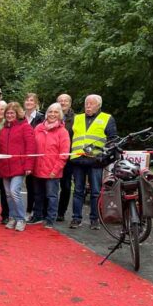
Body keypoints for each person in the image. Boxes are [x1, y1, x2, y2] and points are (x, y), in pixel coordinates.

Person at [69, 94, 117, 230]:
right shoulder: (77, 118)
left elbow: (112, 139)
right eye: (86, 103)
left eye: (91, 103)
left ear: (98, 105)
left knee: (96, 191)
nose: (88, 106)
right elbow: (70, 137)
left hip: (95, 161)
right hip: (78, 160)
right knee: (78, 191)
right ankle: (76, 218)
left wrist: (103, 155)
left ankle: (94, 219)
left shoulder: (107, 118)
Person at [0, 102, 36, 232]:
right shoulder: (3, 130)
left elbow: (31, 147)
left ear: (18, 114)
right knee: (8, 194)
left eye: (12, 113)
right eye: (8, 113)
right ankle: (12, 217)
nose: (10, 115)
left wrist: (29, 165)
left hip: (19, 167)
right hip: (5, 168)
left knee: (14, 192)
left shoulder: (25, 127)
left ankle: (21, 218)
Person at [32, 103, 70, 228]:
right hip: (37, 168)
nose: (52, 114)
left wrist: (56, 170)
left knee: (52, 196)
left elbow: (64, 154)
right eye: (50, 112)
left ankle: (50, 219)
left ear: (60, 115)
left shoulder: (63, 132)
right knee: (37, 195)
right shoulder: (38, 128)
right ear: (46, 114)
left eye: (55, 112)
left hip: (52, 170)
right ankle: (37, 216)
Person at [24, 93, 45, 220]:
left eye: (32, 100)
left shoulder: (41, 118)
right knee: (29, 185)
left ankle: (38, 212)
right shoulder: (21, 117)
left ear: (36, 103)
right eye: (27, 100)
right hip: (23, 155)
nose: (29, 102)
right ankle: (28, 210)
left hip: (37, 155)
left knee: (37, 185)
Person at [56, 93, 76, 222]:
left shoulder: (76, 119)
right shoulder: (52, 115)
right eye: (60, 101)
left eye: (65, 101)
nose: (63, 103)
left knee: (66, 186)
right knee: (50, 186)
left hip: (68, 157)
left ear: (70, 103)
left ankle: (61, 212)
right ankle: (49, 210)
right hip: (51, 156)